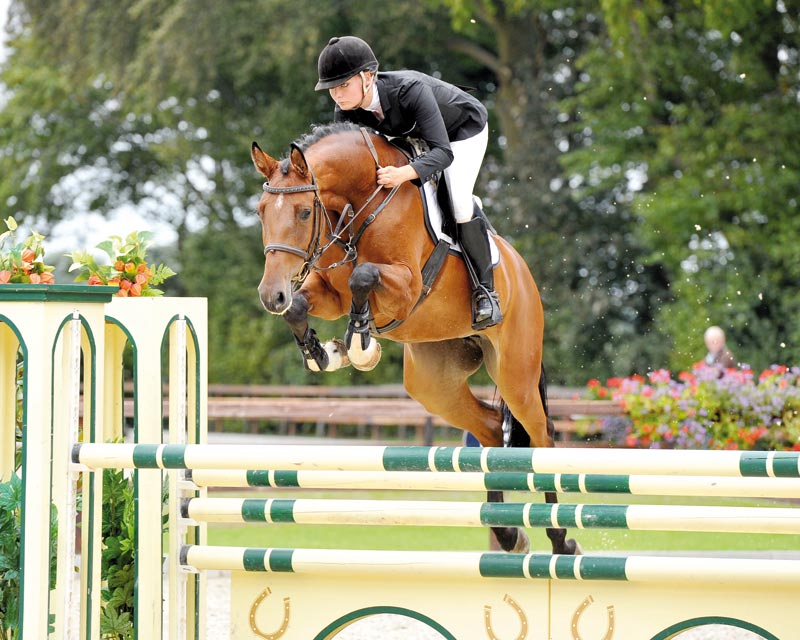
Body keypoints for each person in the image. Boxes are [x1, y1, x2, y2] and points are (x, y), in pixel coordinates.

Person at [314, 35, 502, 330]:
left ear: (367, 77)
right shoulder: (346, 111)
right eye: (331, 88)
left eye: (343, 85)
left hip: (461, 132)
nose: (337, 95)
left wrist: (404, 173)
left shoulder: (409, 91)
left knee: (457, 201)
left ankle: (485, 292)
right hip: (414, 136)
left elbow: (443, 153)